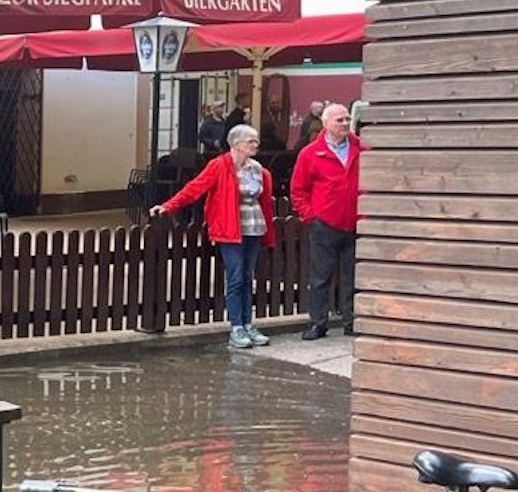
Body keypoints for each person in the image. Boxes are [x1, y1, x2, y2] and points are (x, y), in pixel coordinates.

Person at [151, 123, 277, 350]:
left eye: (256, 141)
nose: (256, 145)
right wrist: (169, 206)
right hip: (230, 230)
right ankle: (236, 326)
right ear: (236, 144)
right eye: (251, 141)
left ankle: (248, 324)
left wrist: (269, 232)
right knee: (236, 277)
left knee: (248, 278)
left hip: (254, 228)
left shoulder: (259, 169)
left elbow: (265, 202)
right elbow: (195, 188)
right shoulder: (219, 166)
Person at [290, 102, 361, 339]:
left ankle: (352, 321)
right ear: (326, 123)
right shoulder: (310, 153)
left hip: (355, 222)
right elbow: (298, 190)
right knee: (320, 277)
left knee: (353, 276)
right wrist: (311, 217)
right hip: (325, 224)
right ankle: (318, 322)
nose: (345, 124)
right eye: (339, 120)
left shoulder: (361, 149)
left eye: (347, 119)